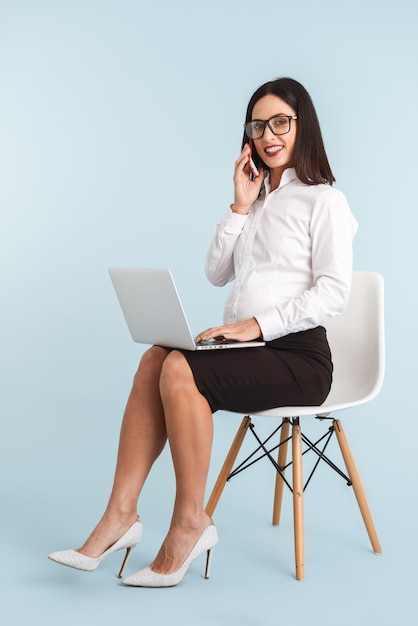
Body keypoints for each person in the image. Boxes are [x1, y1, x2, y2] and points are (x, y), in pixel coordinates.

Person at [48, 77, 358, 587]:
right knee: (155, 359)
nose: (268, 135)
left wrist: (253, 325)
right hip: (252, 349)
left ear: (304, 127)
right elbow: (217, 273)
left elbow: (333, 294)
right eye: (258, 126)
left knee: (179, 366)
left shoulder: (324, 201)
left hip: (300, 359)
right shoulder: (256, 200)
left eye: (280, 122)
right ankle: (120, 515)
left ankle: (190, 523)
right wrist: (239, 204)